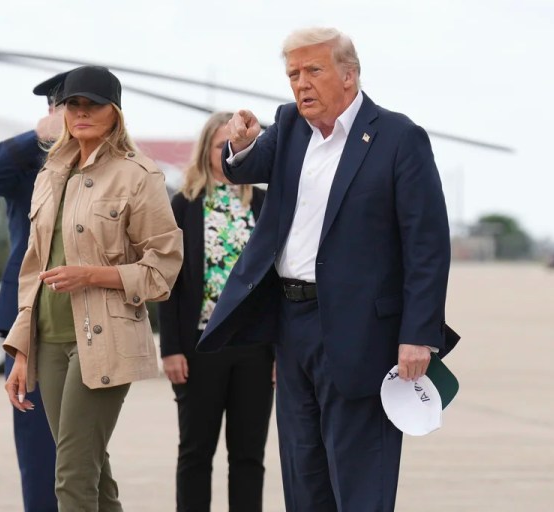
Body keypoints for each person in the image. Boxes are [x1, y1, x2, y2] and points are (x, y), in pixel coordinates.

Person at [197, 28, 460, 511]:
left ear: (349, 74)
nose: (301, 84)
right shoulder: (290, 126)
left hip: (363, 333)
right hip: (291, 325)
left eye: (313, 70)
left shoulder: (400, 138)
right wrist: (239, 143)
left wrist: (418, 334)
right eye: (293, 74)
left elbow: (427, 246)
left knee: (360, 478)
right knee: (304, 475)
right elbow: (241, 170)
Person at [3, 65, 183, 511]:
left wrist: (92, 275)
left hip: (104, 339)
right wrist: (23, 350)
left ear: (115, 113)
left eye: (93, 104)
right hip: (48, 339)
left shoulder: (138, 175)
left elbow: (163, 269)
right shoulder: (50, 174)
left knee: (72, 477)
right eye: (73, 104)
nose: (81, 112)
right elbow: (33, 270)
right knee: (89, 468)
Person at [158, 112, 274, 512]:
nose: (225, 151)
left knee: (248, 457)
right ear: (205, 150)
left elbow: (277, 281)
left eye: (234, 143)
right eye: (217, 144)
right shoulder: (183, 205)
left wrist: (278, 351)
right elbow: (168, 283)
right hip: (199, 347)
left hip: (255, 350)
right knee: (195, 453)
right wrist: (171, 347)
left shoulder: (263, 203)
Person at [0, 71, 68, 512]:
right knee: (36, 443)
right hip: (28, 315)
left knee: (84, 439)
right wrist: (36, 137)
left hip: (88, 311)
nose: (73, 117)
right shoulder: (28, 161)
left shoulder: (111, 164)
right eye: (65, 107)